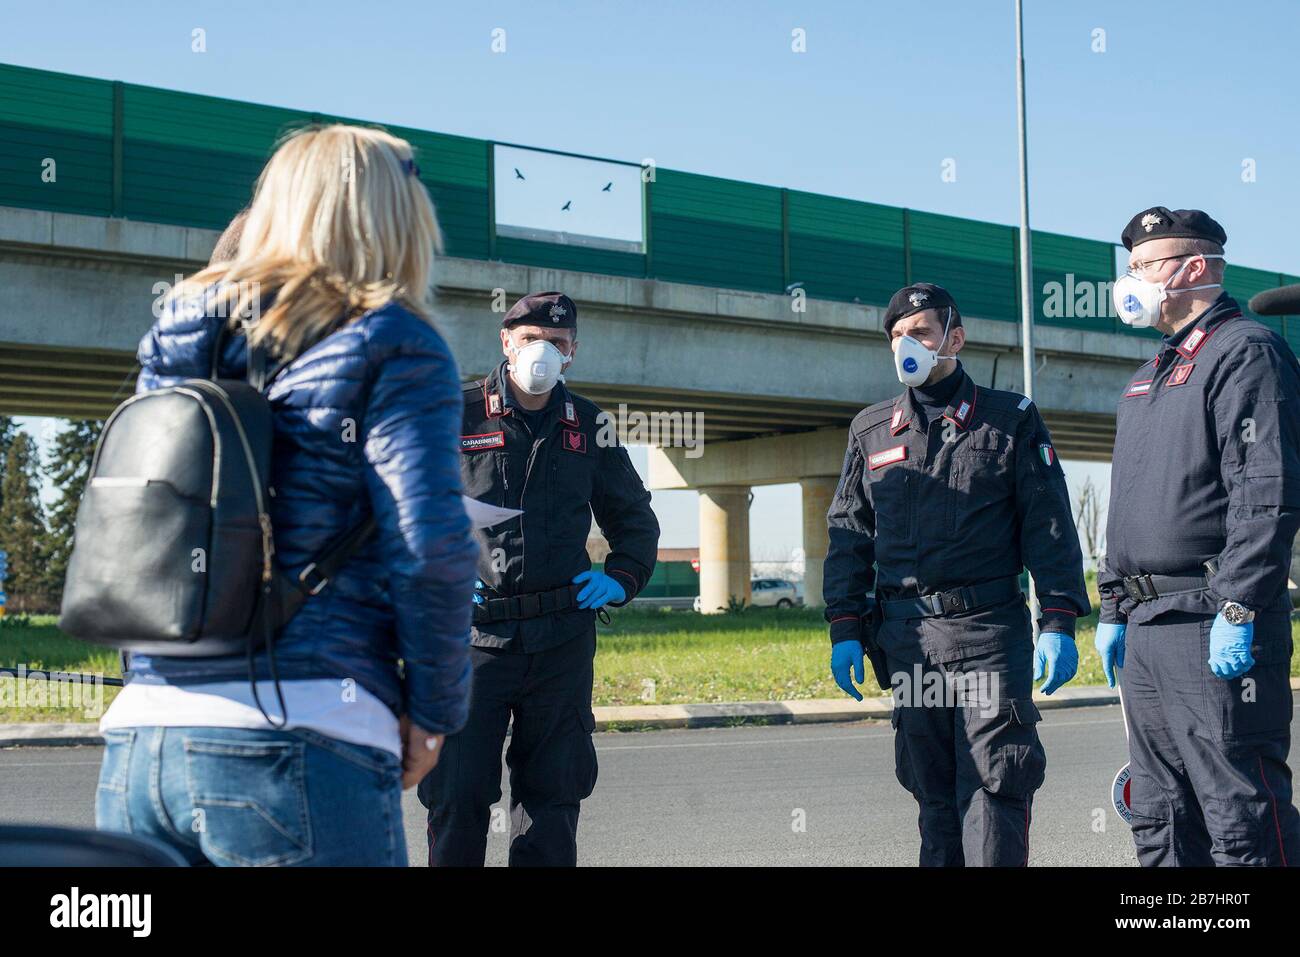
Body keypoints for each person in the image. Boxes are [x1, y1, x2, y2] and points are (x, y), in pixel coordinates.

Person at [93, 125, 478, 866]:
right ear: (395, 217)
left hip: (143, 743)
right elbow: (430, 547)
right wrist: (434, 713)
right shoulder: (395, 341)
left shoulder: (178, 332)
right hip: (300, 731)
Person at [823, 282, 1090, 866]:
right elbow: (849, 535)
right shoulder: (872, 431)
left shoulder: (1009, 419)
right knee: (932, 792)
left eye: (919, 333)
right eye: (896, 337)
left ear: (955, 339)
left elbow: (1049, 527)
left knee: (994, 786)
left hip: (987, 634)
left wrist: (1060, 618)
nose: (906, 346)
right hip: (907, 640)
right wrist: (844, 625)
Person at [418, 291, 660, 866]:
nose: (542, 352)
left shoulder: (590, 424)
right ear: (505, 343)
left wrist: (622, 578)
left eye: (556, 343)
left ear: (572, 352)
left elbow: (634, 518)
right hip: (469, 641)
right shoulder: (454, 412)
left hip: (561, 641)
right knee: (458, 797)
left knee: (553, 798)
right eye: (530, 340)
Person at [1098, 206, 1300, 866]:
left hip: (1212, 620)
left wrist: (1239, 605)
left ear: (1194, 267)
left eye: (1146, 267)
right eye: (1129, 268)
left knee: (1237, 811)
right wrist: (1112, 607)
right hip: (1149, 627)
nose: (1132, 281)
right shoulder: (1145, 376)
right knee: (1160, 813)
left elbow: (1264, 493)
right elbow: (1125, 506)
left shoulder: (1246, 352)